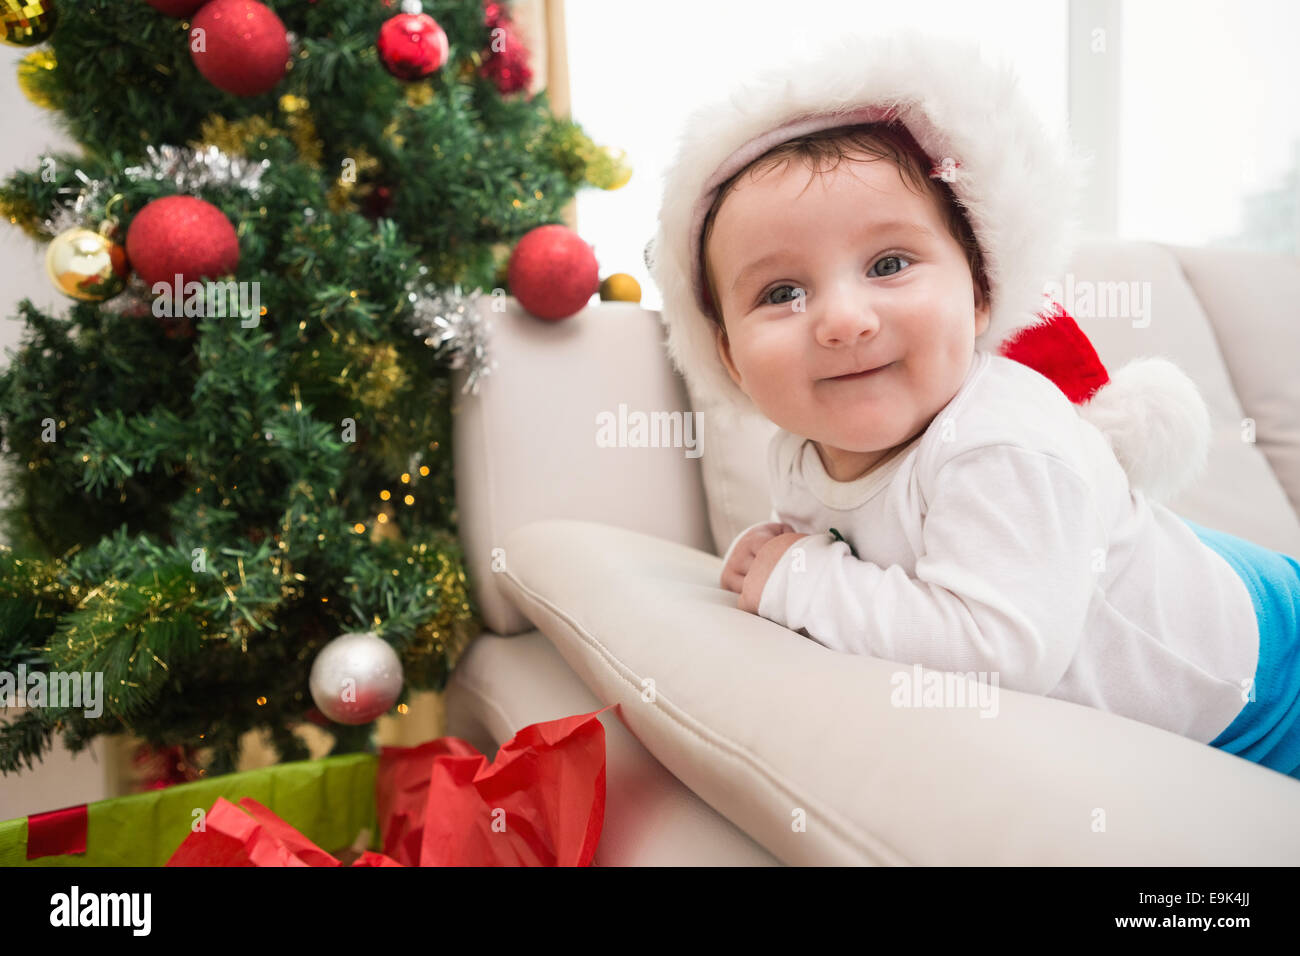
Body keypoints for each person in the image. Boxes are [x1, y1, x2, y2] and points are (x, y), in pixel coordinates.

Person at [646, 32, 1300, 778]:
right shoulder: (799, 447)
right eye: (781, 293)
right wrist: (778, 561)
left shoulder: (1000, 443)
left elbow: (1002, 652)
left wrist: (800, 579)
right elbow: (840, 557)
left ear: (982, 291)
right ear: (727, 352)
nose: (843, 320)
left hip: (1268, 672)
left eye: (889, 264)